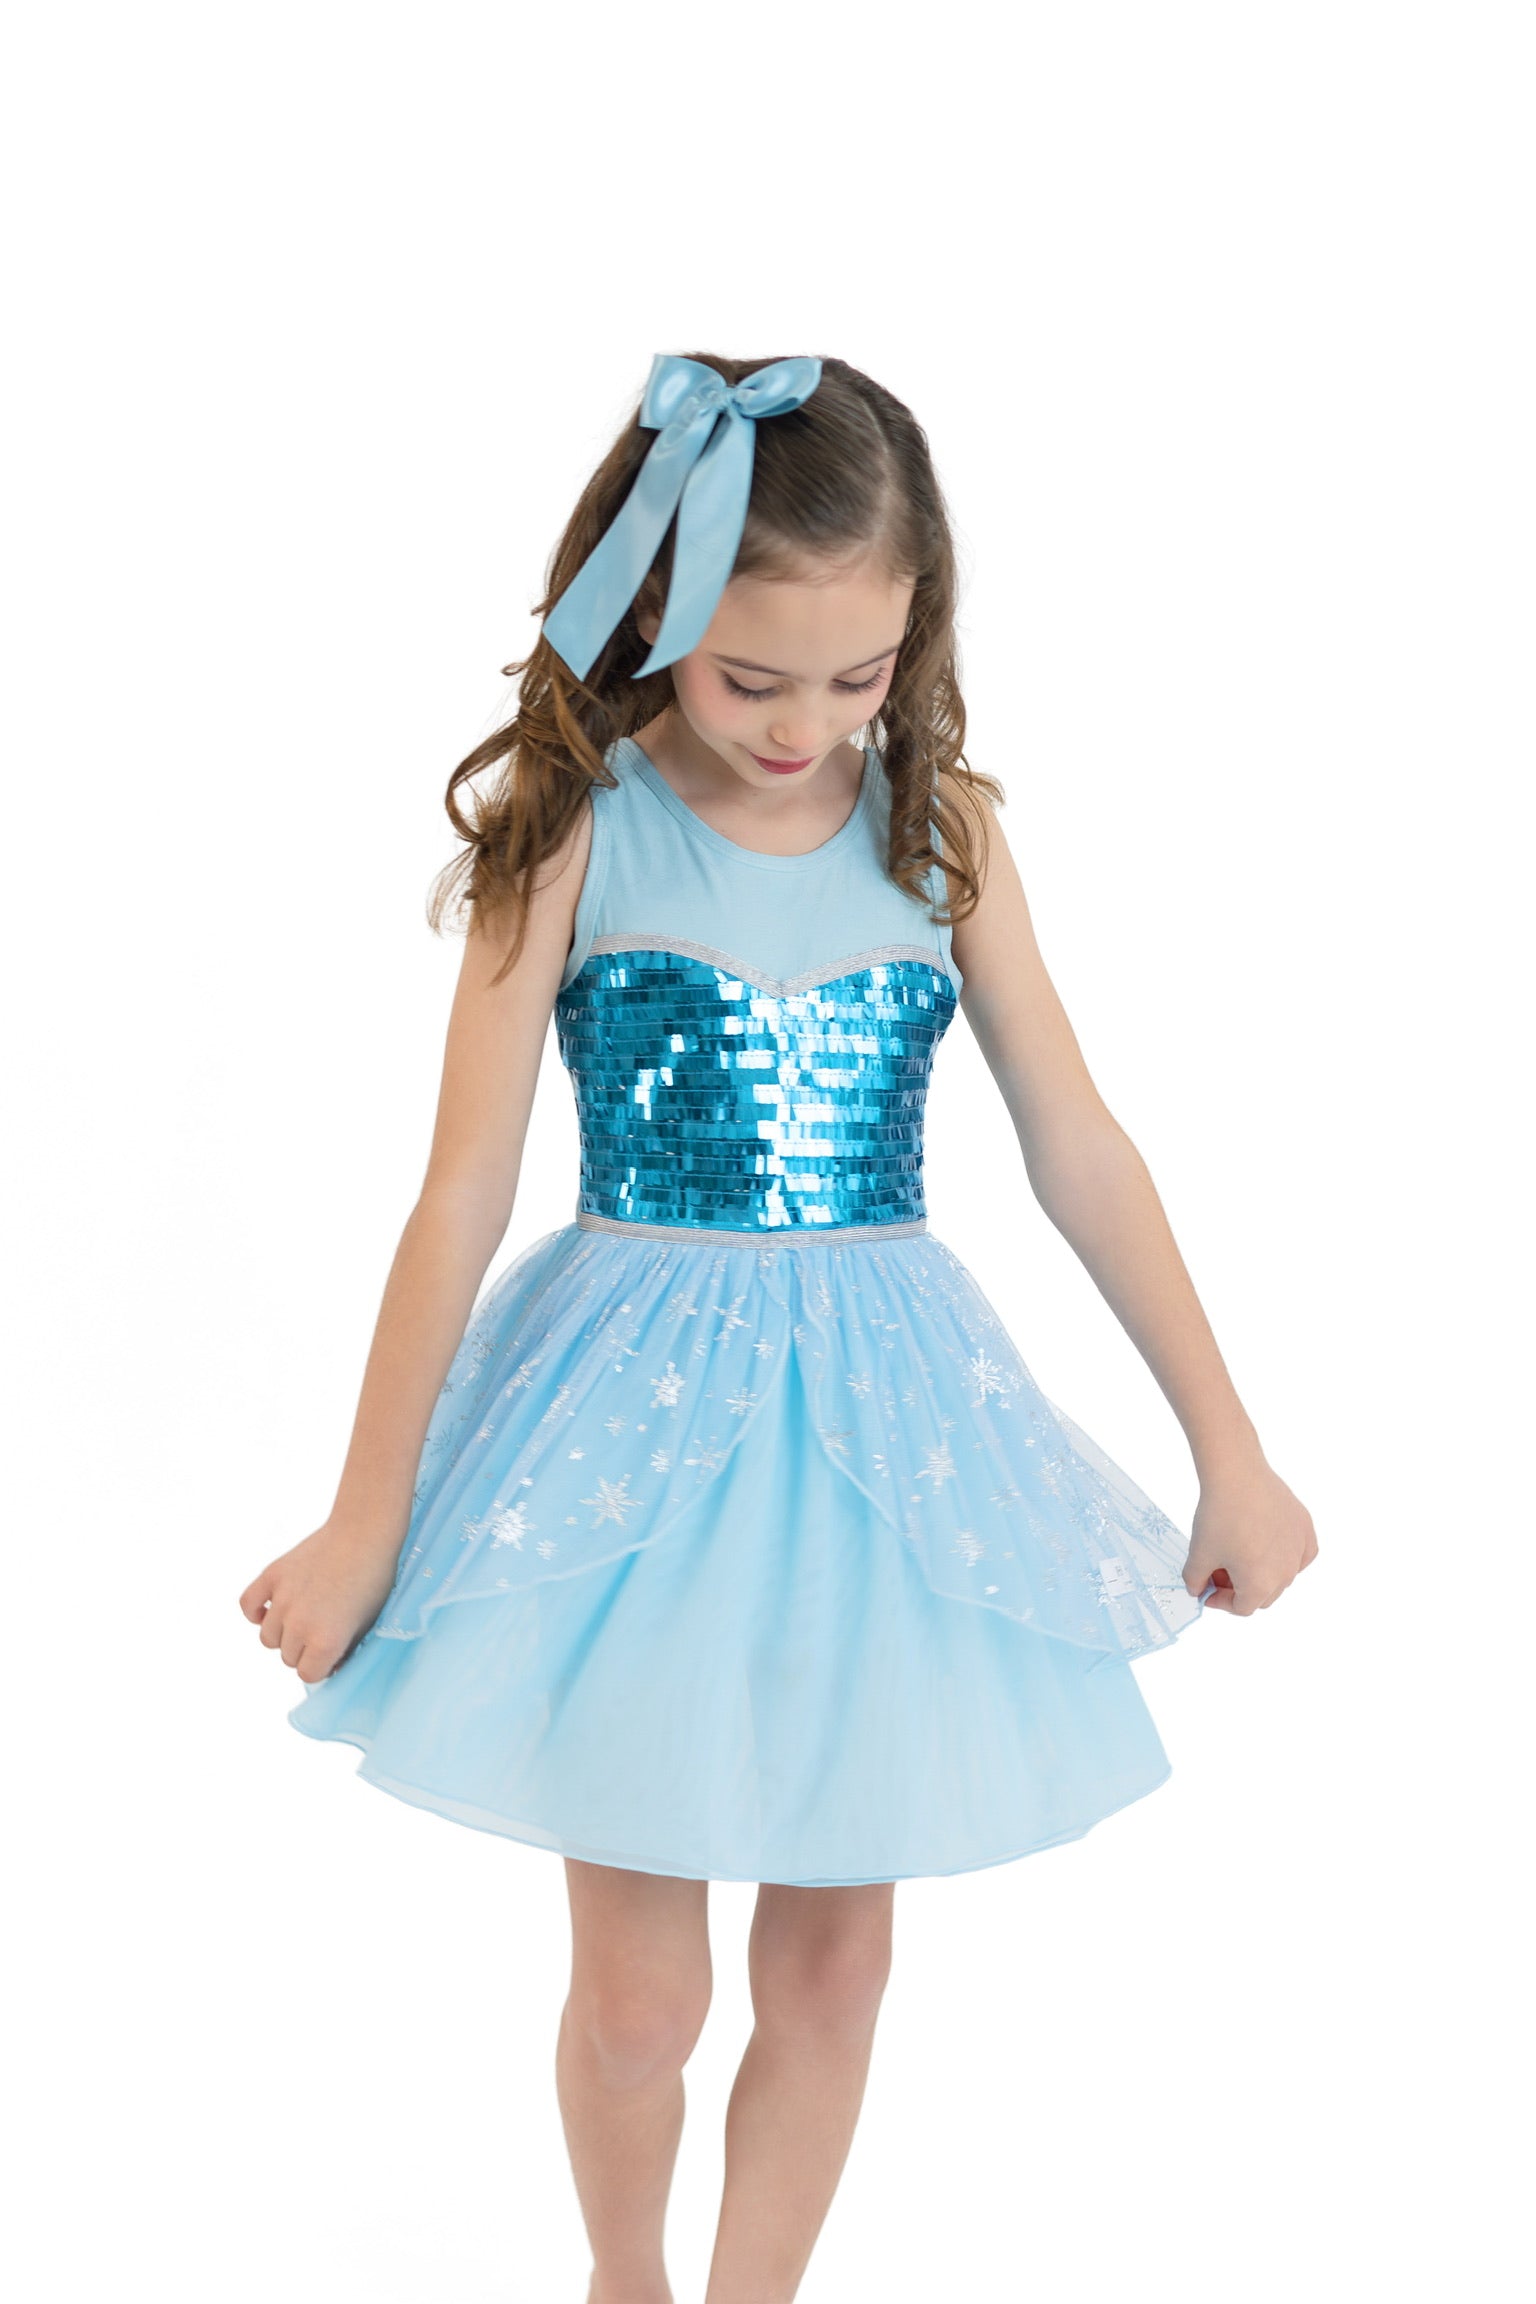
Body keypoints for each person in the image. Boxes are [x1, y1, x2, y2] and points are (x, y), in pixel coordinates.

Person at [240, 350, 1317, 2304]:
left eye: (858, 678)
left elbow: (1078, 1143)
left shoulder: (939, 829)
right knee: (640, 2003)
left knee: (835, 1966)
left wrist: (1226, 1447)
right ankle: (626, 2277)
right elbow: (460, 1193)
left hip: (887, 1450)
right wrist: (363, 1514)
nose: (806, 729)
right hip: (628, 1449)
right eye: (752, 681)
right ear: (656, 608)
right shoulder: (578, 825)